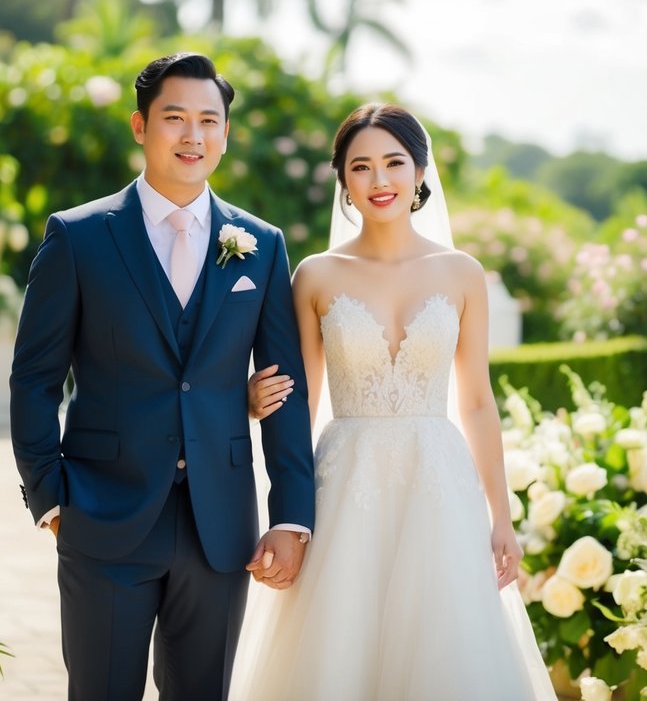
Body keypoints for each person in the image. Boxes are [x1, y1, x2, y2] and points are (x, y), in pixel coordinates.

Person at [9, 52, 316, 701]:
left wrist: (291, 517)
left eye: (209, 120)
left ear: (226, 134)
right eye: (175, 118)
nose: (192, 135)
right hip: (102, 514)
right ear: (140, 126)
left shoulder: (260, 245)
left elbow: (285, 388)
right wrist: (51, 500)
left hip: (219, 526)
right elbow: (33, 379)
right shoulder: (78, 237)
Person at [232, 103, 556, 700]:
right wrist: (284, 511)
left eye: (394, 163)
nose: (379, 180)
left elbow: (476, 402)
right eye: (361, 167)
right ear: (343, 180)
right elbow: (300, 404)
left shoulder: (462, 273)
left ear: (420, 171)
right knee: (338, 643)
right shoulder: (316, 275)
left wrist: (502, 518)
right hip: (343, 482)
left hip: (438, 484)